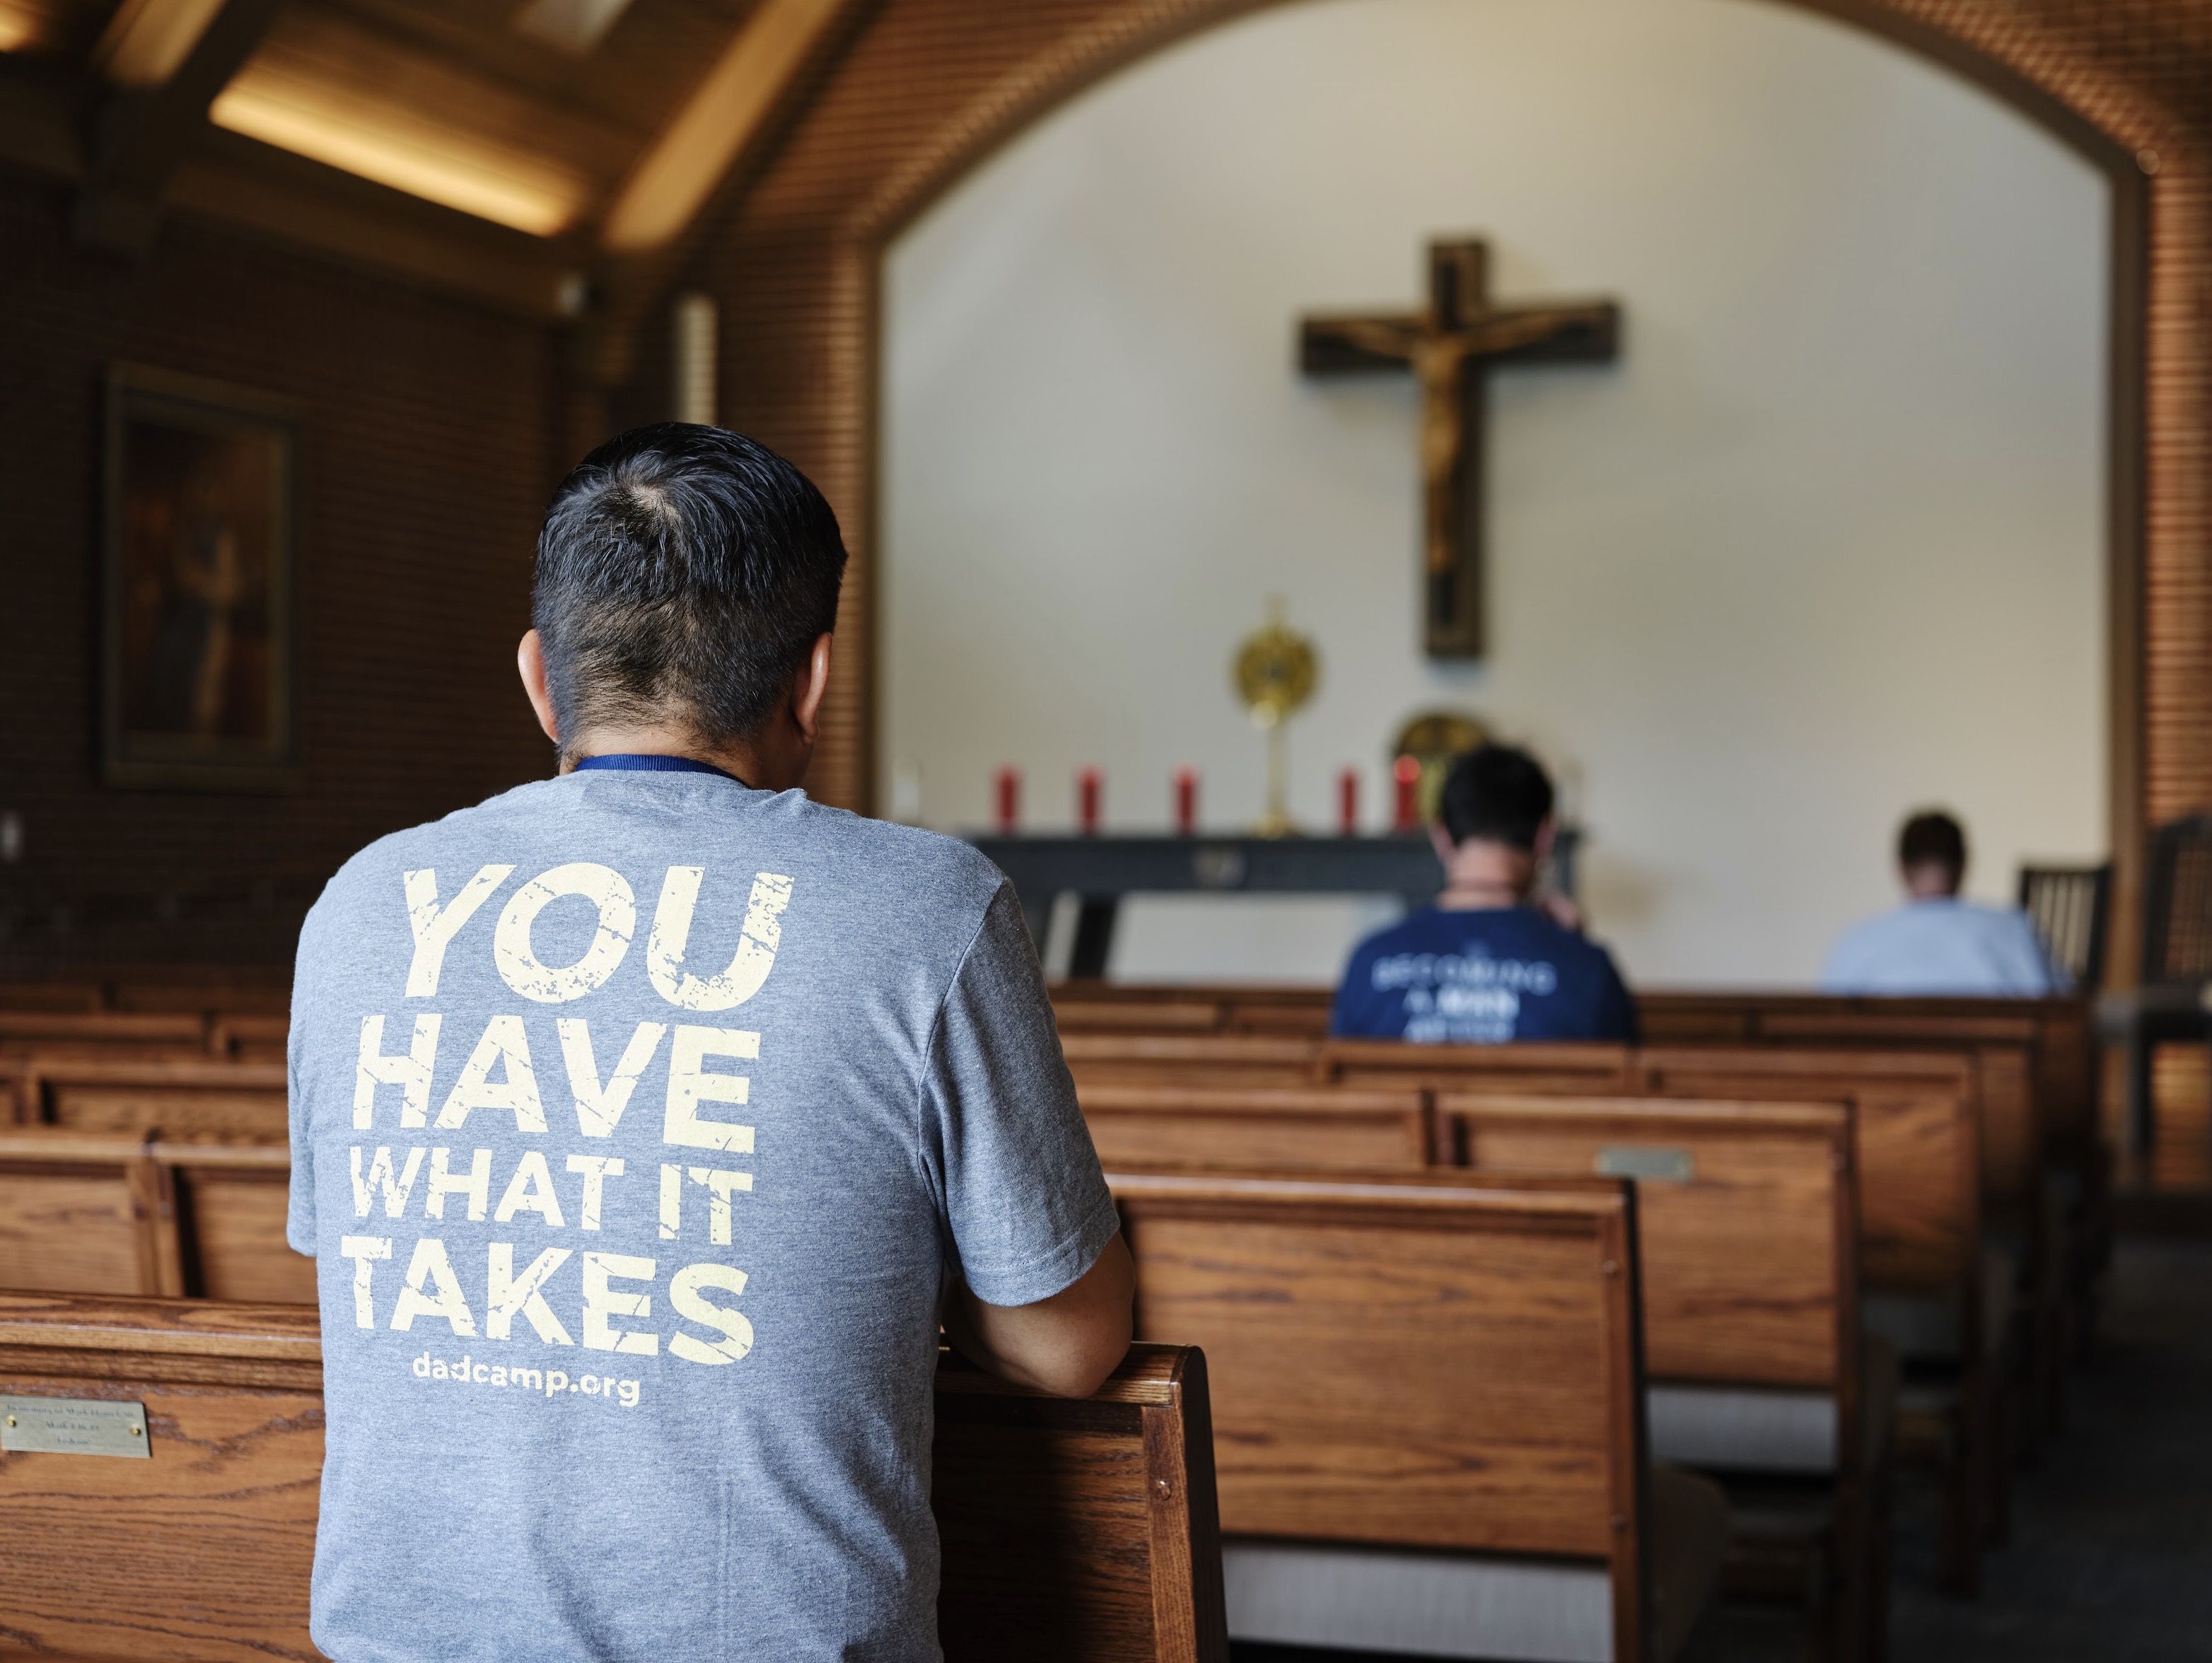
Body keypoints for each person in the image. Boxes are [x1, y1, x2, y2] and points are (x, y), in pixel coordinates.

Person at [284, 424, 1133, 1662]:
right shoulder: (923, 909)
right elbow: (1066, 1346)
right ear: (812, 680)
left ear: (540, 678)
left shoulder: (364, 901)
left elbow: (354, 1261)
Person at [1331, 744, 1636, 1044]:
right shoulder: (1588, 969)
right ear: (1545, 837)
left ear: (1441, 837)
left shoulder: (1369, 961)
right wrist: (1573, 949)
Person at [1822, 809, 2057, 995]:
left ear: (1900, 870)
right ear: (1965, 865)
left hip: (1887, 1054)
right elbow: (2066, 1008)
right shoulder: (2015, 930)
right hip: (1997, 1053)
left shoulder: (1856, 941)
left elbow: (1827, 1028)